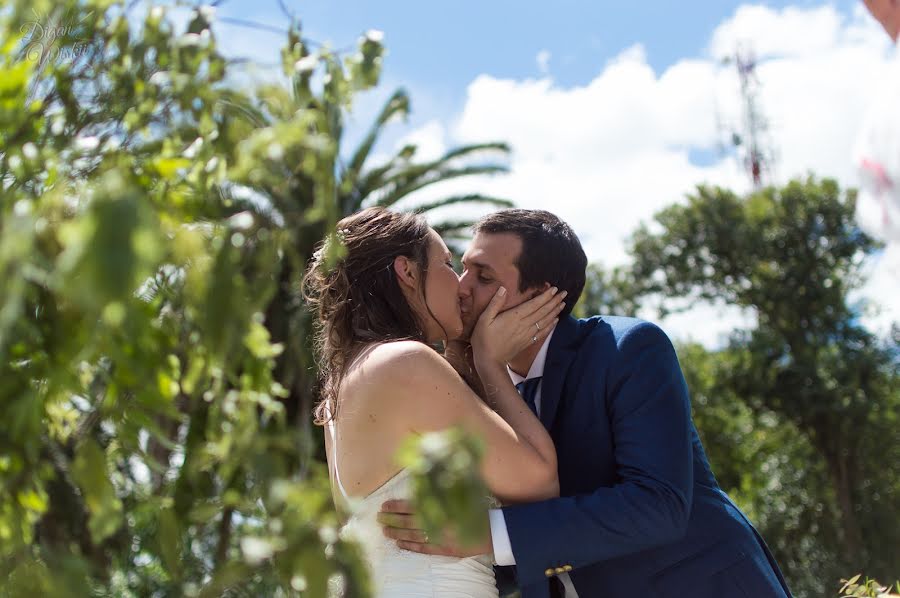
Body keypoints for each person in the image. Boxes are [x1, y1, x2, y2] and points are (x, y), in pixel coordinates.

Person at [380, 209, 792, 598]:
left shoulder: (628, 350)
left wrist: (489, 532)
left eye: (483, 276)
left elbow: (658, 505)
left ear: (541, 296)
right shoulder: (477, 386)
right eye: (463, 267)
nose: (462, 287)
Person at [302, 206, 568, 597]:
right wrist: (489, 364)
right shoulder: (406, 363)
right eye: (446, 264)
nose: (461, 285)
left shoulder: (347, 381)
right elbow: (539, 482)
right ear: (407, 272)